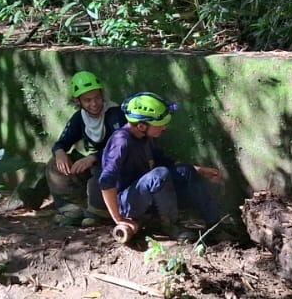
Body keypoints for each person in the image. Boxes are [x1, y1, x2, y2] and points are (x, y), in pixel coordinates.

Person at [98, 92, 223, 241]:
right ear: (142, 126)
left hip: (145, 190)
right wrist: (118, 219)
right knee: (160, 175)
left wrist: (198, 170)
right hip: (125, 203)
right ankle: (171, 225)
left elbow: (163, 161)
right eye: (160, 125)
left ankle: (215, 224)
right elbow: (105, 182)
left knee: (186, 171)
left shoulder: (146, 137)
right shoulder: (121, 142)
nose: (164, 128)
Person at [48, 70, 126, 226]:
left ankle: (98, 213)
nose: (94, 104)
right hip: (89, 163)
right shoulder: (79, 118)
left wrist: (94, 158)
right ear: (79, 102)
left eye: (97, 97)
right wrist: (59, 152)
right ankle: (72, 210)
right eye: (87, 100)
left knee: (101, 176)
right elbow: (63, 141)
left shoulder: (115, 114)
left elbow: (122, 146)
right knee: (54, 166)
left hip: (111, 162)